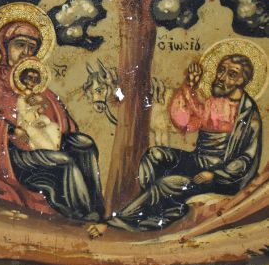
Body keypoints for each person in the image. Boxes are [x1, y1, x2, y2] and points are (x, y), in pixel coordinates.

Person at [89, 54, 263, 236]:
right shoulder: (214, 101)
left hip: (221, 176)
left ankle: (115, 223)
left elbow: (246, 159)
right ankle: (161, 211)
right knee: (154, 156)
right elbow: (187, 122)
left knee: (167, 184)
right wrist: (190, 86)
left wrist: (216, 175)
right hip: (199, 161)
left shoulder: (248, 116)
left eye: (231, 74)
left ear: (243, 80)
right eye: (221, 70)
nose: (221, 77)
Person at [0, 14, 104, 222]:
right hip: (17, 154)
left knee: (84, 145)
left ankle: (97, 209)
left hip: (45, 141)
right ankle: (83, 216)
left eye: (31, 48)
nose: (26, 52)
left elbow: (61, 117)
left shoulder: (34, 78)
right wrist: (14, 132)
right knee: (64, 162)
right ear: (5, 47)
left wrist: (60, 134)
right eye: (20, 45)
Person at [13, 62, 62, 152]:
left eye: (35, 79)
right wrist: (37, 113)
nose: (32, 82)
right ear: (24, 79)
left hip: (39, 122)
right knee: (46, 144)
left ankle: (56, 149)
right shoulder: (21, 99)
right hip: (26, 126)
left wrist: (42, 108)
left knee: (54, 127)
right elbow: (24, 117)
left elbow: (44, 108)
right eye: (29, 78)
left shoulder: (37, 97)